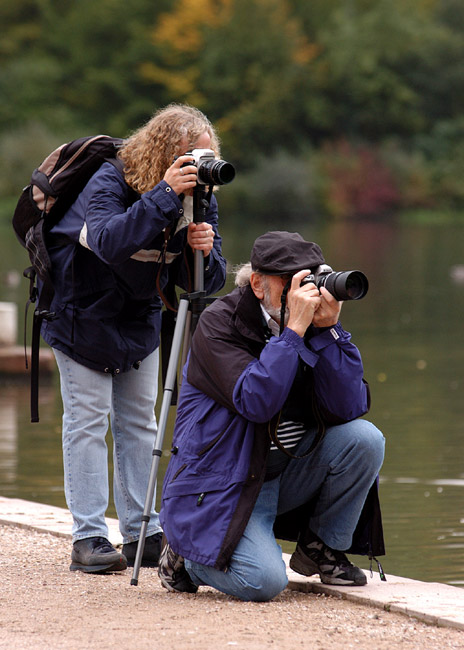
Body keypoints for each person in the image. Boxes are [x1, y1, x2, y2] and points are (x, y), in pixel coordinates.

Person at [41, 104, 227, 573]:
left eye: (206, 159)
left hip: (138, 318)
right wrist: (166, 193)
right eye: (191, 157)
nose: (199, 168)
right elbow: (107, 239)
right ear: (165, 153)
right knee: (86, 421)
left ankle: (142, 531)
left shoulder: (197, 197)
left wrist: (203, 249)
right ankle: (87, 538)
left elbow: (204, 282)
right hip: (80, 313)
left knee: (141, 424)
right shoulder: (108, 180)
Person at [158, 230, 385, 601]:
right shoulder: (219, 325)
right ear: (259, 285)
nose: (306, 293)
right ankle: (187, 558)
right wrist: (293, 332)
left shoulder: (314, 326)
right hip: (228, 482)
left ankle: (320, 547)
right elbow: (256, 402)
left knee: (365, 439)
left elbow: (348, 407)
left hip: (285, 470)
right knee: (263, 582)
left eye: (311, 279)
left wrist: (329, 332)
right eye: (293, 282)